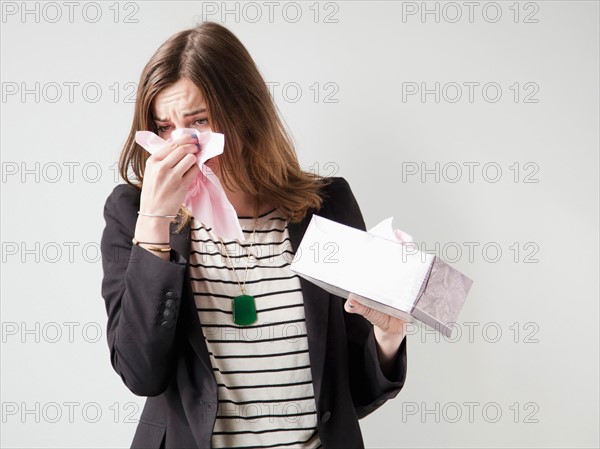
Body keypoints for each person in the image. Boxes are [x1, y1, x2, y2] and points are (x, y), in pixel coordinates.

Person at [100, 21, 408, 449]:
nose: (179, 146)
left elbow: (356, 392)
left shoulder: (327, 207)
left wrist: (387, 337)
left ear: (245, 114)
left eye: (199, 121)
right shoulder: (131, 213)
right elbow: (140, 372)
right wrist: (155, 220)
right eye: (164, 126)